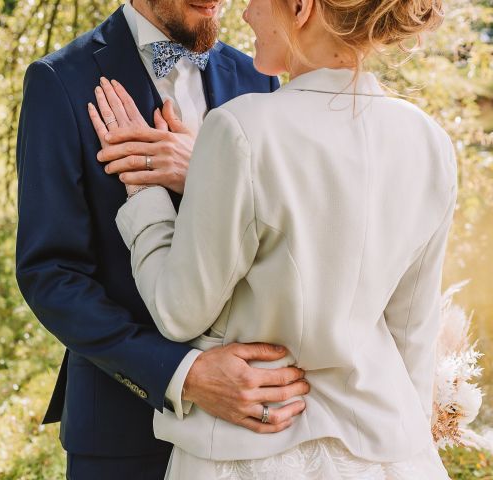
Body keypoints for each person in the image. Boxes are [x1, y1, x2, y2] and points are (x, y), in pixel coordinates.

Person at [89, 0, 456, 476]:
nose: (244, 15)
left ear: (301, 8)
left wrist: (144, 194)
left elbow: (178, 313)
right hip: (386, 455)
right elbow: (414, 333)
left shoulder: (242, 129)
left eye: (256, 1)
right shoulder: (430, 142)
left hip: (252, 452)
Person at [15, 0, 312, 478]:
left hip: (249, 428)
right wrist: (183, 374)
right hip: (124, 428)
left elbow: (282, 235)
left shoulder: (255, 74)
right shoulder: (60, 80)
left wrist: (204, 173)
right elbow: (51, 274)